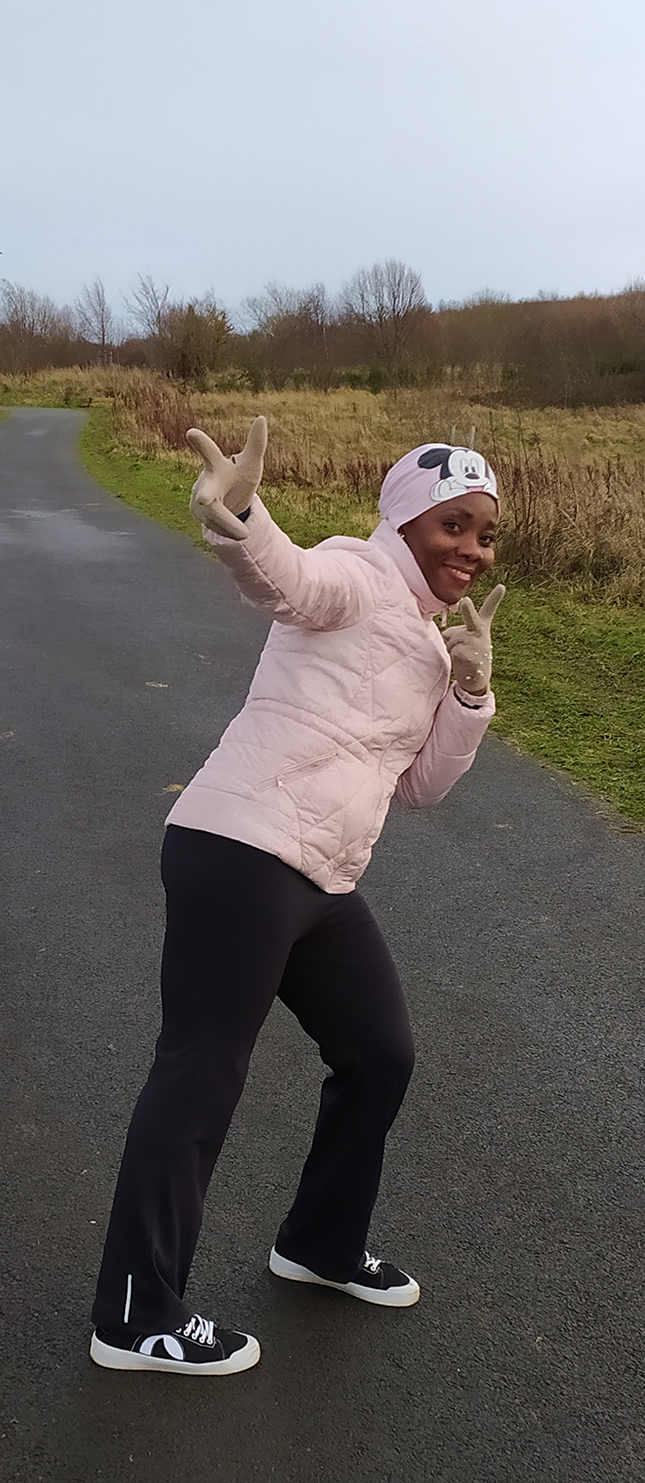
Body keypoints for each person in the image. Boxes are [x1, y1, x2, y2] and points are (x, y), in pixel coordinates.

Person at [89, 418, 504, 1375]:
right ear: (405, 521)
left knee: (380, 1052)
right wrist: (237, 512)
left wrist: (471, 694)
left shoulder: (434, 649)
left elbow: (424, 787)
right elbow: (285, 579)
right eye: (454, 526)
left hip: (320, 876)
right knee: (202, 1068)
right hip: (238, 848)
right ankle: (134, 1310)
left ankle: (319, 1242)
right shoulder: (354, 576)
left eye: (485, 534)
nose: (473, 551)